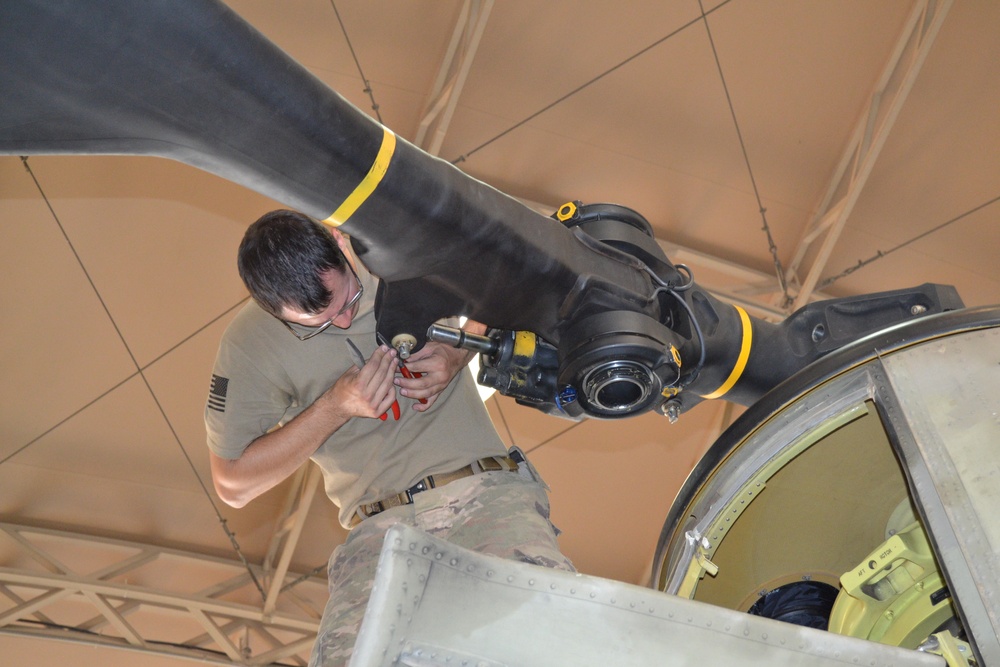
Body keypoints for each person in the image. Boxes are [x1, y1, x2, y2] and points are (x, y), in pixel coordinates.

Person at [205, 209, 574, 667]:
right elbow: (233, 483)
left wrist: (461, 349)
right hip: (379, 533)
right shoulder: (250, 345)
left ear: (340, 242)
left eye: (347, 299)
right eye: (315, 322)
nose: (342, 321)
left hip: (485, 497)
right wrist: (334, 407)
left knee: (552, 638)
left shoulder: (404, 253)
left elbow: (518, 266)